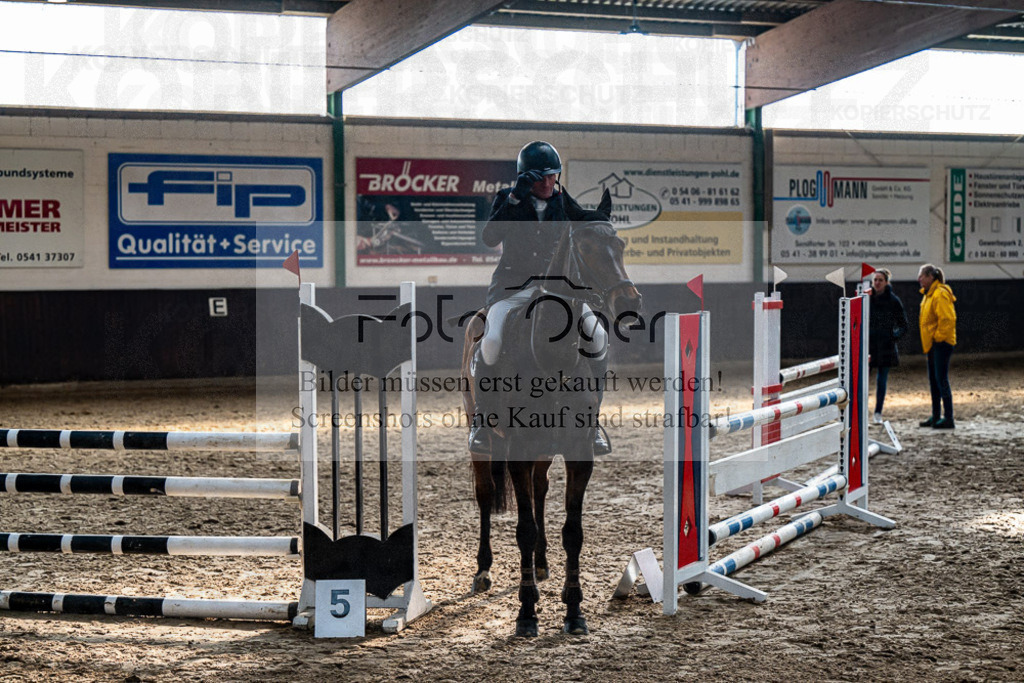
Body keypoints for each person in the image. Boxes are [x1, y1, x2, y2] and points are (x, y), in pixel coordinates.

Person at [470, 140, 611, 455]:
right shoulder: (507, 199)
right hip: (513, 289)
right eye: (539, 177)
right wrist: (515, 199)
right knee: (491, 341)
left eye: (552, 176)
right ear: (525, 177)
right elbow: (490, 237)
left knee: (599, 336)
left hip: (560, 290)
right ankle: (481, 419)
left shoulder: (565, 204)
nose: (548, 183)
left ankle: (593, 420)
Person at [917, 263, 957, 429]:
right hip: (933, 344)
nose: (919, 279)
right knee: (935, 381)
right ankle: (936, 415)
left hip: (940, 343)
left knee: (941, 380)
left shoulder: (939, 293)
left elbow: (947, 319)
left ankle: (948, 418)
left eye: (922, 276)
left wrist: (938, 338)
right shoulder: (929, 294)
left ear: (930, 277)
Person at [868, 269, 908, 424]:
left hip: (885, 346)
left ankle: (878, 411)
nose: (877, 283)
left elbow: (903, 325)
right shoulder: (866, 298)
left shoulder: (894, 300)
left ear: (886, 282)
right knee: (863, 379)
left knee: (881, 380)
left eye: (880, 280)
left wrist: (893, 336)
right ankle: (859, 409)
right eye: (875, 280)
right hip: (869, 345)